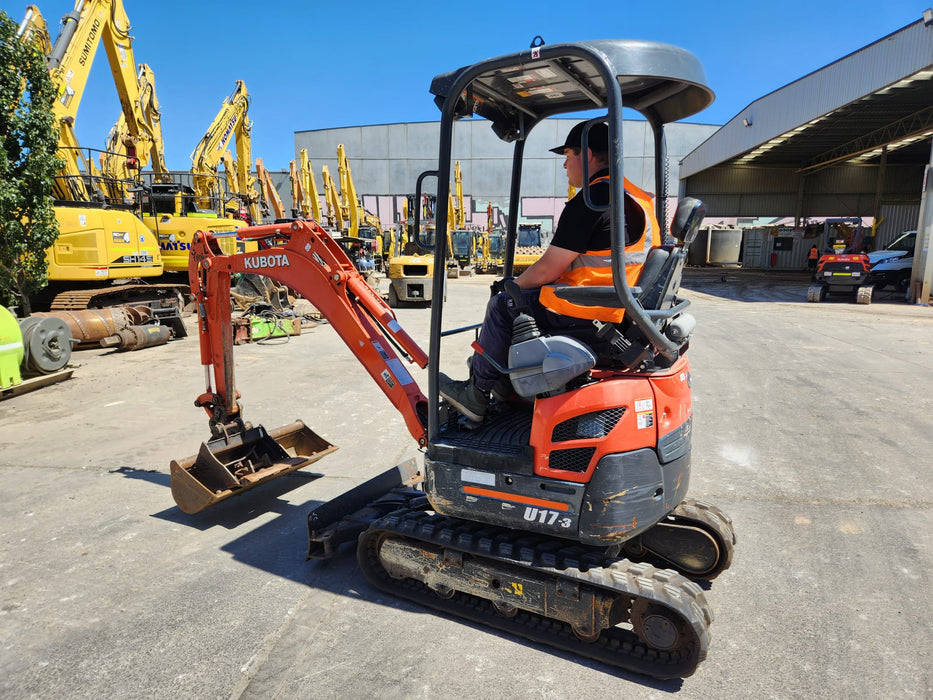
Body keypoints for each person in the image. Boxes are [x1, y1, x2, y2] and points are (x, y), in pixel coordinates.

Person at [439, 120, 661, 422]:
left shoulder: (591, 202)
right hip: (621, 312)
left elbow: (546, 270)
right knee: (520, 298)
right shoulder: (639, 199)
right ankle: (504, 384)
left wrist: (511, 285)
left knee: (503, 304)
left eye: (568, 155)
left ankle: (476, 396)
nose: (565, 165)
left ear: (587, 154)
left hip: (592, 314)